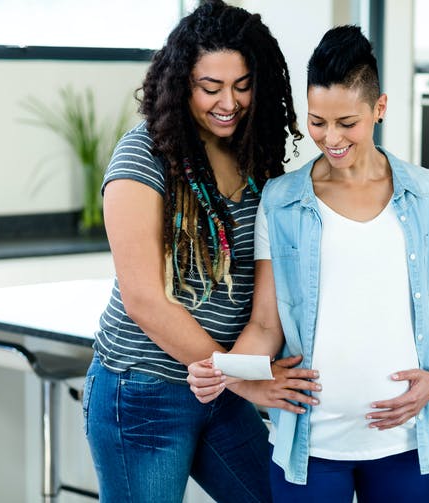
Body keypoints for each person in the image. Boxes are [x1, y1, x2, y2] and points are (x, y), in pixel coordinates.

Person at [188, 25, 429, 503]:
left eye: (347, 122)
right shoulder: (281, 201)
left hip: (405, 439)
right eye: (317, 121)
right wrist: (224, 369)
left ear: (379, 108)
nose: (330, 138)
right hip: (310, 443)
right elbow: (264, 322)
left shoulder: (424, 192)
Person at [81, 1, 314, 502]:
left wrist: (239, 376)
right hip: (144, 390)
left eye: (243, 85)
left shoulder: (257, 157)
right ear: (181, 83)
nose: (228, 102)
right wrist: (245, 383)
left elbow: (263, 299)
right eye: (210, 88)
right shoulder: (144, 154)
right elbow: (144, 299)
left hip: (221, 386)